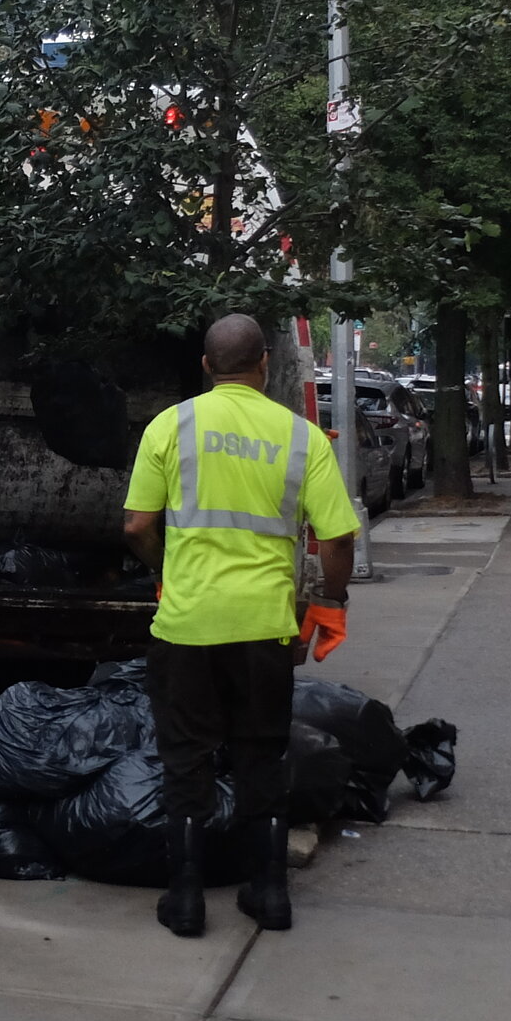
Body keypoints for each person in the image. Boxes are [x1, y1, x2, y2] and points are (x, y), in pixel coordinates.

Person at [124, 314, 359, 939]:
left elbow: (136, 525)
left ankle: (186, 899)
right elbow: (336, 537)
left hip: (187, 627)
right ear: (262, 366)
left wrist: (167, 571)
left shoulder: (169, 427)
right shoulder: (302, 437)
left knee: (186, 761)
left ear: (206, 365)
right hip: (265, 629)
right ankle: (271, 893)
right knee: (262, 755)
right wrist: (330, 606)